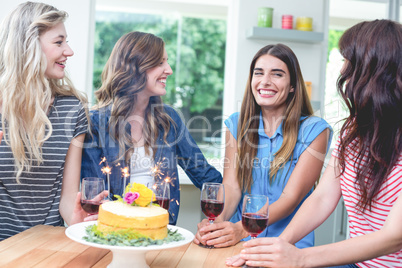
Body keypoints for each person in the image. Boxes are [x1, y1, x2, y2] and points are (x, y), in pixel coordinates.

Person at [228, 19, 402, 268]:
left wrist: (300, 258)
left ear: (376, 68)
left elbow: (395, 237)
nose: (342, 71)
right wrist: (280, 246)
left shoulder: (315, 129)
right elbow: (321, 198)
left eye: (348, 61)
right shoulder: (353, 132)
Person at [194, 43, 333, 248]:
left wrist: (243, 227)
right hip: (238, 241)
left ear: (293, 85)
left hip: (288, 243)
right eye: (258, 73)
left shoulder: (315, 130)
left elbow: (291, 198)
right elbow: (232, 186)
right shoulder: (236, 124)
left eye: (277, 74)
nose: (265, 82)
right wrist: (217, 225)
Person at [81, 31, 223, 225]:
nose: (169, 70)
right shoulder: (94, 124)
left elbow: (205, 175)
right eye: (160, 63)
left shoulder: (170, 120)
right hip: (114, 233)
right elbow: (95, 195)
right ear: (135, 68)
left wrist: (239, 195)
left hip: (161, 232)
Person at [0, 1, 91, 241]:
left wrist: (79, 221)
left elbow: (68, 198)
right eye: (59, 42)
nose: (69, 51)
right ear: (29, 46)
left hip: (50, 248)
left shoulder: (73, 108)